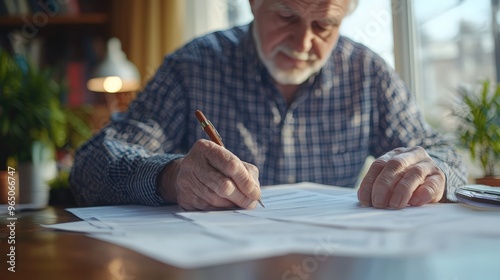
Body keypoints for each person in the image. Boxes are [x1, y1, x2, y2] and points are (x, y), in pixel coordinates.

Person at [70, 0, 467, 210]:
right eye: (286, 16)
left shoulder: (367, 74)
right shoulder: (193, 67)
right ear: (254, 2)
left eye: (324, 25)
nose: (302, 43)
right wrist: (171, 178)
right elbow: (90, 165)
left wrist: (432, 171)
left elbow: (444, 153)